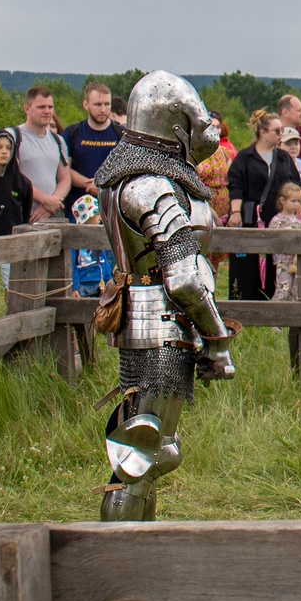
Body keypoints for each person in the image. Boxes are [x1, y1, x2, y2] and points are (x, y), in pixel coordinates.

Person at [89, 73, 239, 521]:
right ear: (176, 128)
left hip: (147, 320)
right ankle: (120, 551)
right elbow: (185, 279)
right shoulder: (150, 186)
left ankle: (139, 542)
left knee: (143, 450)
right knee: (144, 457)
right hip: (163, 325)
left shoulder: (127, 178)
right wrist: (218, 340)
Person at [225, 112, 286, 302]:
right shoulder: (244, 157)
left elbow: (294, 185)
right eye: (277, 131)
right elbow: (235, 186)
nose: (281, 134)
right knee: (246, 266)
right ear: (263, 132)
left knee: (274, 265)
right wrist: (236, 212)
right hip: (249, 219)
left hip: (277, 220)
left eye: (282, 130)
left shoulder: (283, 158)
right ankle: (243, 305)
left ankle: (273, 305)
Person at [16, 86, 73, 223]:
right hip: (23, 213)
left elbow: (65, 179)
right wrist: (44, 199)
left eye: (50, 107)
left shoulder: (58, 141)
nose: (47, 111)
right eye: (41, 107)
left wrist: (51, 204)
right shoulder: (14, 137)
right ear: (27, 109)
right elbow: (13, 178)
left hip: (52, 214)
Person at [63, 81, 122, 197]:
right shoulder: (72, 133)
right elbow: (63, 171)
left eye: (107, 104)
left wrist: (102, 187)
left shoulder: (121, 134)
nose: (103, 109)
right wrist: (91, 184)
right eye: (97, 104)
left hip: (110, 202)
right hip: (78, 202)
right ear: (86, 105)